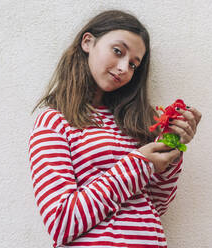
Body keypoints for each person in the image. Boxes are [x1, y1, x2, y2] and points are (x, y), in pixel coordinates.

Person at [28, 10, 202, 248]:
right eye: (118, 51)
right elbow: (61, 222)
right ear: (88, 42)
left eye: (133, 64)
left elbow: (156, 206)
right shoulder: (54, 121)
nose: (123, 68)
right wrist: (139, 163)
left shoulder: (134, 122)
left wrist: (172, 146)